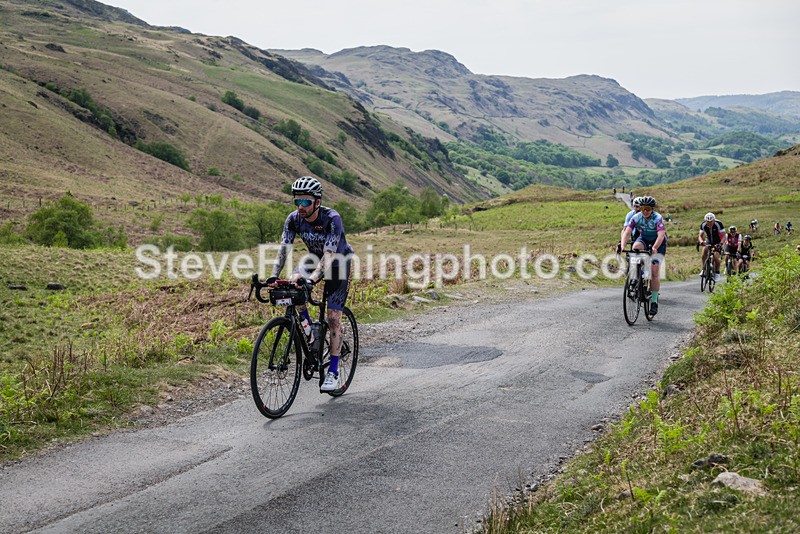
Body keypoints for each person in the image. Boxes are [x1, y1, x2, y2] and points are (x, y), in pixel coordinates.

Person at [267, 176, 354, 392]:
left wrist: (313, 279)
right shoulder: (293, 219)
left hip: (338, 262)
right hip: (313, 258)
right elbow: (284, 248)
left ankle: (333, 372)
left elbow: (330, 254)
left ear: (317, 202)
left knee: (333, 318)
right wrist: (273, 276)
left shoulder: (332, 218)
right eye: (297, 201)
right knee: (294, 285)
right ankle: (312, 336)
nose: (300, 206)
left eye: (305, 202)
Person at [620, 196, 667, 315]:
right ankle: (636, 276)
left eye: (647, 208)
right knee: (635, 248)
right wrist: (622, 245)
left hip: (658, 242)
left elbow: (661, 235)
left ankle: (654, 302)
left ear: (652, 209)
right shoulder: (636, 217)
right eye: (642, 209)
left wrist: (655, 247)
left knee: (654, 271)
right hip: (644, 240)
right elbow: (627, 232)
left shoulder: (657, 218)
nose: (645, 211)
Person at [697, 213, 726, 282]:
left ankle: (717, 272)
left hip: (718, 241)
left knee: (716, 257)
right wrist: (701, 242)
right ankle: (703, 269)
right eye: (708, 222)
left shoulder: (718, 224)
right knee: (704, 252)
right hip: (709, 240)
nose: (709, 223)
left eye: (711, 222)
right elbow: (700, 236)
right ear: (705, 221)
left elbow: (724, 236)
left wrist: (721, 244)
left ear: (714, 221)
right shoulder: (703, 225)